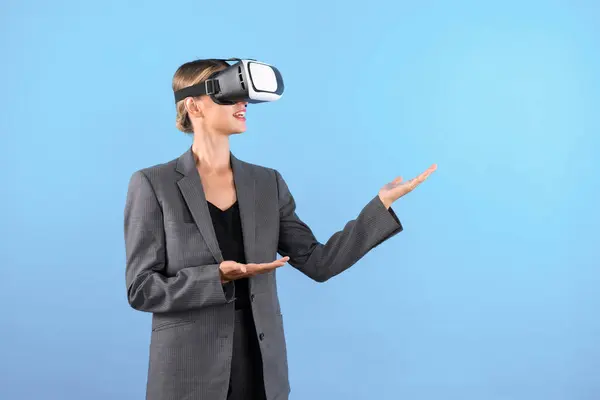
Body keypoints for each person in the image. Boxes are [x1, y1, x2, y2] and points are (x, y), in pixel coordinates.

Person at [124, 58, 437, 400]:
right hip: (188, 376)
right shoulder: (154, 184)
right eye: (229, 95)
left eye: (244, 96)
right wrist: (218, 277)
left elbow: (320, 263)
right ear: (193, 105)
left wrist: (379, 207)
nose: (243, 103)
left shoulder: (266, 183)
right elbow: (142, 289)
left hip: (261, 372)